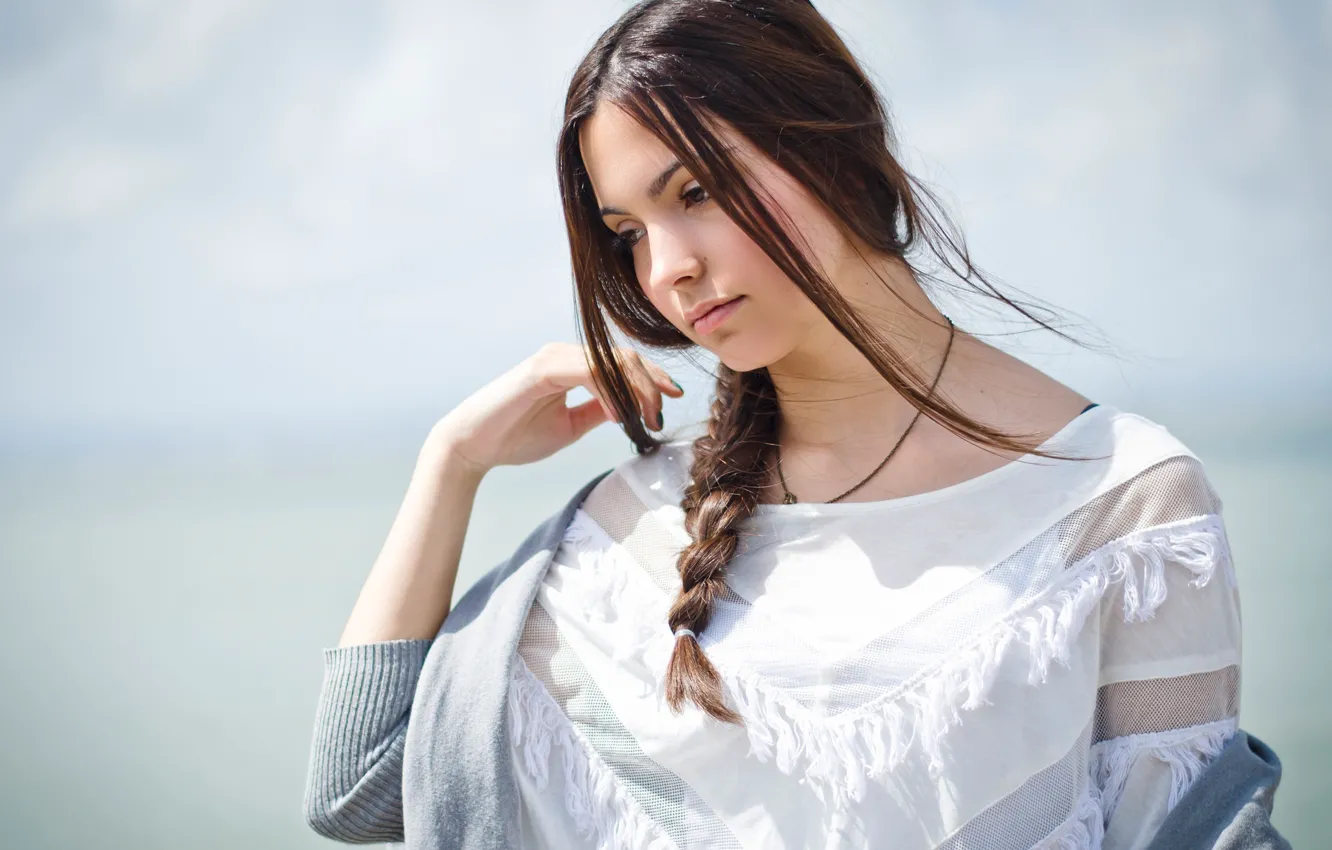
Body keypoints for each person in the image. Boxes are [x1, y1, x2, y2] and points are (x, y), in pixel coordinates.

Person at [303, 1, 1289, 847]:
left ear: (831, 144)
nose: (667, 269)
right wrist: (452, 463)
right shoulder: (637, 528)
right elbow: (363, 788)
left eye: (695, 191)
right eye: (629, 233)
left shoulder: (1123, 509)